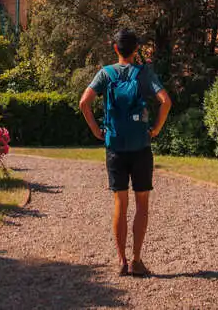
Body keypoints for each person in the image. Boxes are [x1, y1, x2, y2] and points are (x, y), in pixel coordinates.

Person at [79, 28, 173, 277]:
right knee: (142, 204)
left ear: (115, 49)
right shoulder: (144, 74)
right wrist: (155, 129)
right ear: (136, 49)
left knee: (120, 203)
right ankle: (137, 260)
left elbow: (84, 102)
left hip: (115, 147)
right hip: (141, 146)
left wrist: (96, 130)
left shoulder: (106, 74)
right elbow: (166, 101)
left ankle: (120, 260)